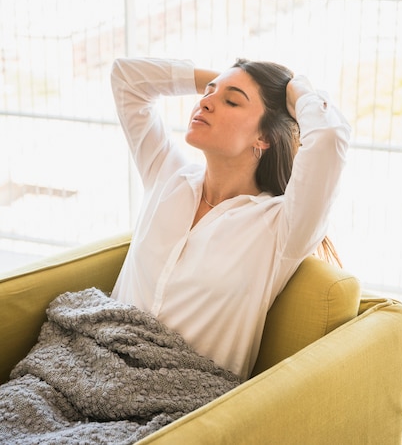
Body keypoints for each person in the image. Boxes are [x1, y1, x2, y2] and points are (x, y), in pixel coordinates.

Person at [110, 56, 351, 381]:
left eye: (232, 101)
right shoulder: (167, 176)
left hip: (175, 402)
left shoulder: (280, 227)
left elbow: (330, 137)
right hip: (94, 361)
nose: (206, 102)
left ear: (263, 138)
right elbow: (127, 77)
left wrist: (296, 92)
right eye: (207, 93)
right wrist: (226, 80)